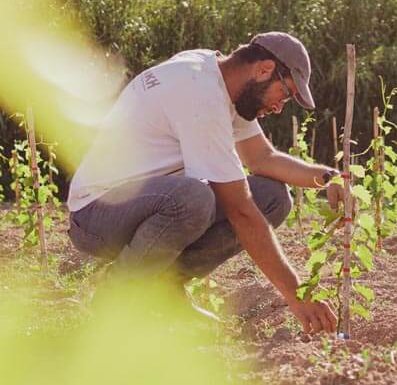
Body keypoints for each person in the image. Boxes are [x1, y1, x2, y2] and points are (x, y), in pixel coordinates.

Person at [66, 32, 344, 334]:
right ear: (264, 69)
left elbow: (262, 157)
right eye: (286, 93)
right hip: (97, 213)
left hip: (142, 203)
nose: (280, 107)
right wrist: (298, 295)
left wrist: (328, 177)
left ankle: (166, 290)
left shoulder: (220, 77)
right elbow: (240, 210)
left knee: (273, 198)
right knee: (192, 198)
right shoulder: (201, 94)